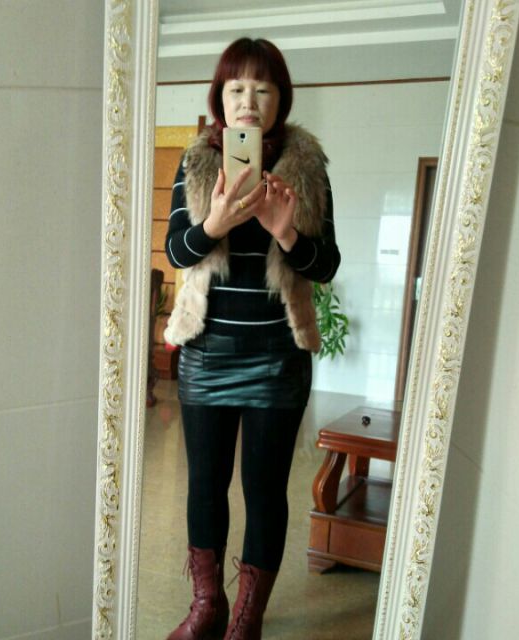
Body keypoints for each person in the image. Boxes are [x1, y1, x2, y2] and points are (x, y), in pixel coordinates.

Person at [163, 37, 340, 640]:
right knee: (205, 486)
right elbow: (177, 252)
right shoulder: (197, 164)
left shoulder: (307, 168)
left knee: (264, 493)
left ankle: (246, 618)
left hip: (277, 359)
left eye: (262, 89)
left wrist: (286, 233)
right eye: (236, 88)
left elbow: (326, 265)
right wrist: (214, 223)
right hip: (206, 353)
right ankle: (207, 607)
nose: (247, 101)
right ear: (219, 98)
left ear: (279, 99)